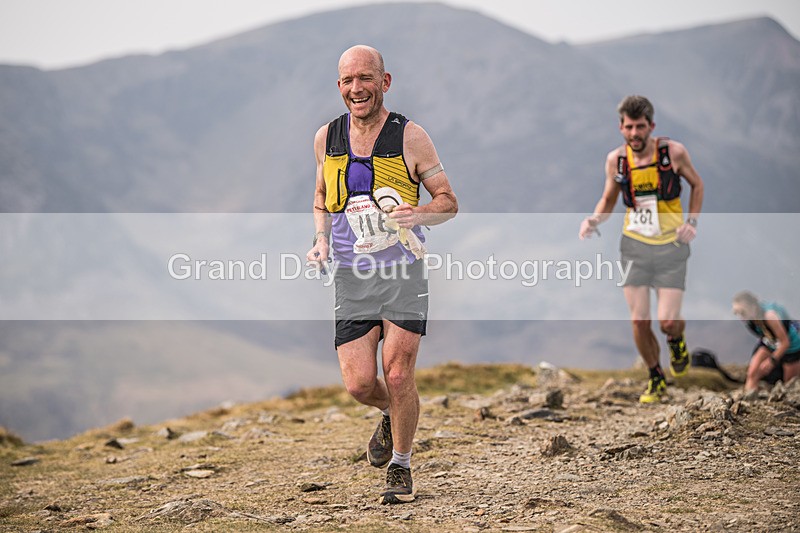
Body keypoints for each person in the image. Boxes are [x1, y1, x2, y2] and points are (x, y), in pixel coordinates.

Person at [306, 45, 457, 504]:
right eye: (349, 81)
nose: (357, 89)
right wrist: (321, 240)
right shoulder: (325, 139)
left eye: (366, 78)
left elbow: (448, 201)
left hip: (402, 270)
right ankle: (396, 414)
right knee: (358, 384)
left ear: (384, 82)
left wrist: (421, 213)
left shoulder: (410, 136)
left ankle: (402, 466)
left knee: (397, 373)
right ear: (339, 87)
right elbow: (320, 198)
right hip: (352, 275)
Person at [579, 95, 704, 403]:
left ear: (651, 126)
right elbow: (608, 198)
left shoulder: (673, 152)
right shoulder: (616, 161)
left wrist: (692, 222)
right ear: (621, 127)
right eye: (629, 127)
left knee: (668, 321)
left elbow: (697, 185)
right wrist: (594, 219)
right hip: (634, 245)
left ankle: (676, 340)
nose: (634, 134)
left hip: (671, 246)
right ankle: (655, 376)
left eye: (640, 127)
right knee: (639, 320)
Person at [732, 291, 800, 393]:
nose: (741, 316)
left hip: (791, 347)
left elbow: (785, 342)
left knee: (789, 384)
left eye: (742, 312)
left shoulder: (770, 317)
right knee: (752, 373)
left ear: (753, 306)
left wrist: (772, 360)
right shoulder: (751, 319)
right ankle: (749, 397)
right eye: (737, 313)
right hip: (770, 342)